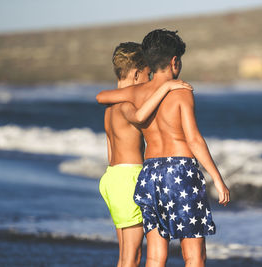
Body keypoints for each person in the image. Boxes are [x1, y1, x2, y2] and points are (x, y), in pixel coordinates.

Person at [97, 29, 230, 267]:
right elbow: (194, 140)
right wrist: (218, 179)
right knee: (194, 256)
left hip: (149, 173)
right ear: (174, 61)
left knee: (156, 256)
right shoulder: (180, 91)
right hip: (180, 172)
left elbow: (103, 96)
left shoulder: (135, 94)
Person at [97, 42, 192, 267]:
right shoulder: (125, 102)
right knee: (133, 257)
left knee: (125, 256)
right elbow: (140, 116)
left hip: (112, 177)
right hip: (130, 177)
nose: (149, 80)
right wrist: (166, 88)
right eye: (148, 74)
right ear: (137, 72)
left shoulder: (109, 106)